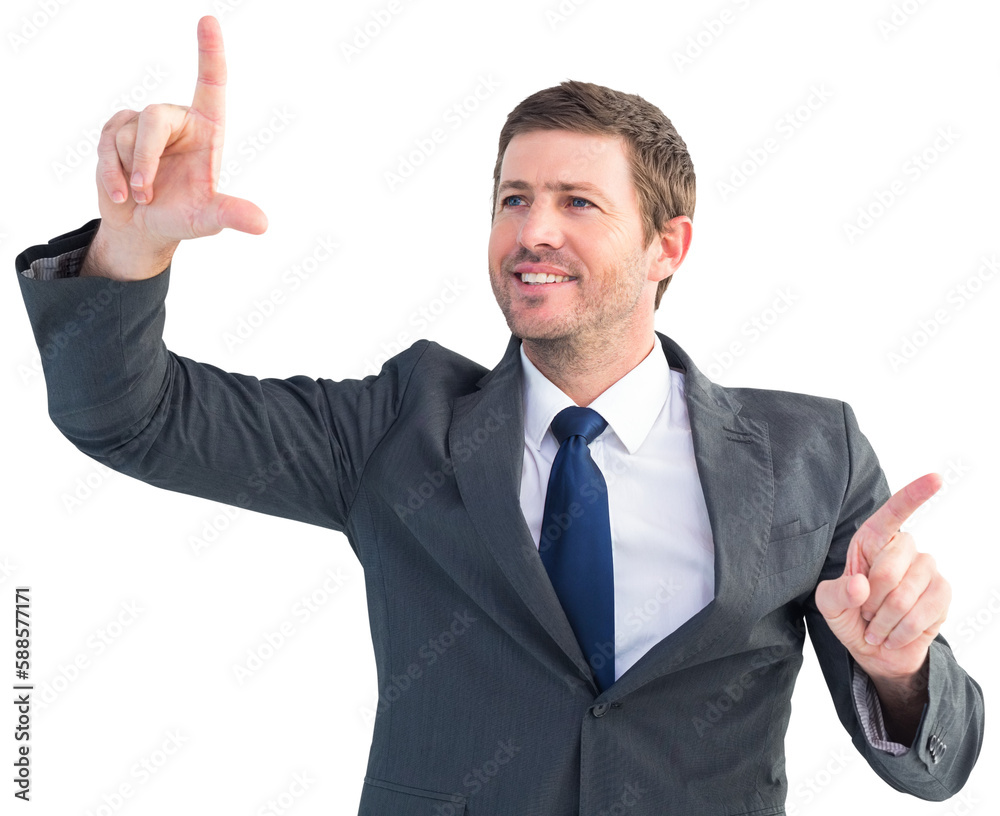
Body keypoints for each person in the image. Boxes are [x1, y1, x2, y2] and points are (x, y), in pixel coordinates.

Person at [16, 15, 983, 816]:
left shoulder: (809, 453)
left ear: (668, 246)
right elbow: (132, 417)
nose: (532, 231)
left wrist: (899, 672)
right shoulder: (399, 427)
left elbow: (938, 766)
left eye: (577, 202)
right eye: (513, 199)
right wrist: (131, 247)